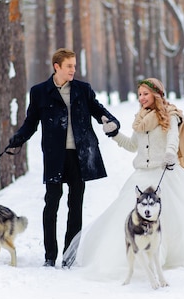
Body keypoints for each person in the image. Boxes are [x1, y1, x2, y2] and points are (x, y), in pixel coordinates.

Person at [64, 77, 184, 279]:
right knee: (129, 219)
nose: (142, 98)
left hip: (164, 173)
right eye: (139, 94)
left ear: (156, 94)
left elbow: (173, 137)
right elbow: (132, 146)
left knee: (172, 219)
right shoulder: (140, 119)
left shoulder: (170, 115)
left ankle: (166, 255)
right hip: (141, 176)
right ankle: (134, 259)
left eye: (146, 94)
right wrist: (115, 133)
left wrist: (170, 153)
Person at [7, 48, 120, 267]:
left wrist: (111, 122)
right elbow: (31, 122)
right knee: (51, 203)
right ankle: (50, 256)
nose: (73, 70)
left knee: (75, 205)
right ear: (56, 66)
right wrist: (18, 138)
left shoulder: (82, 90)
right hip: (54, 156)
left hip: (80, 155)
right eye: (69, 66)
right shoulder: (40, 92)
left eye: (75, 66)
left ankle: (70, 255)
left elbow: (99, 111)